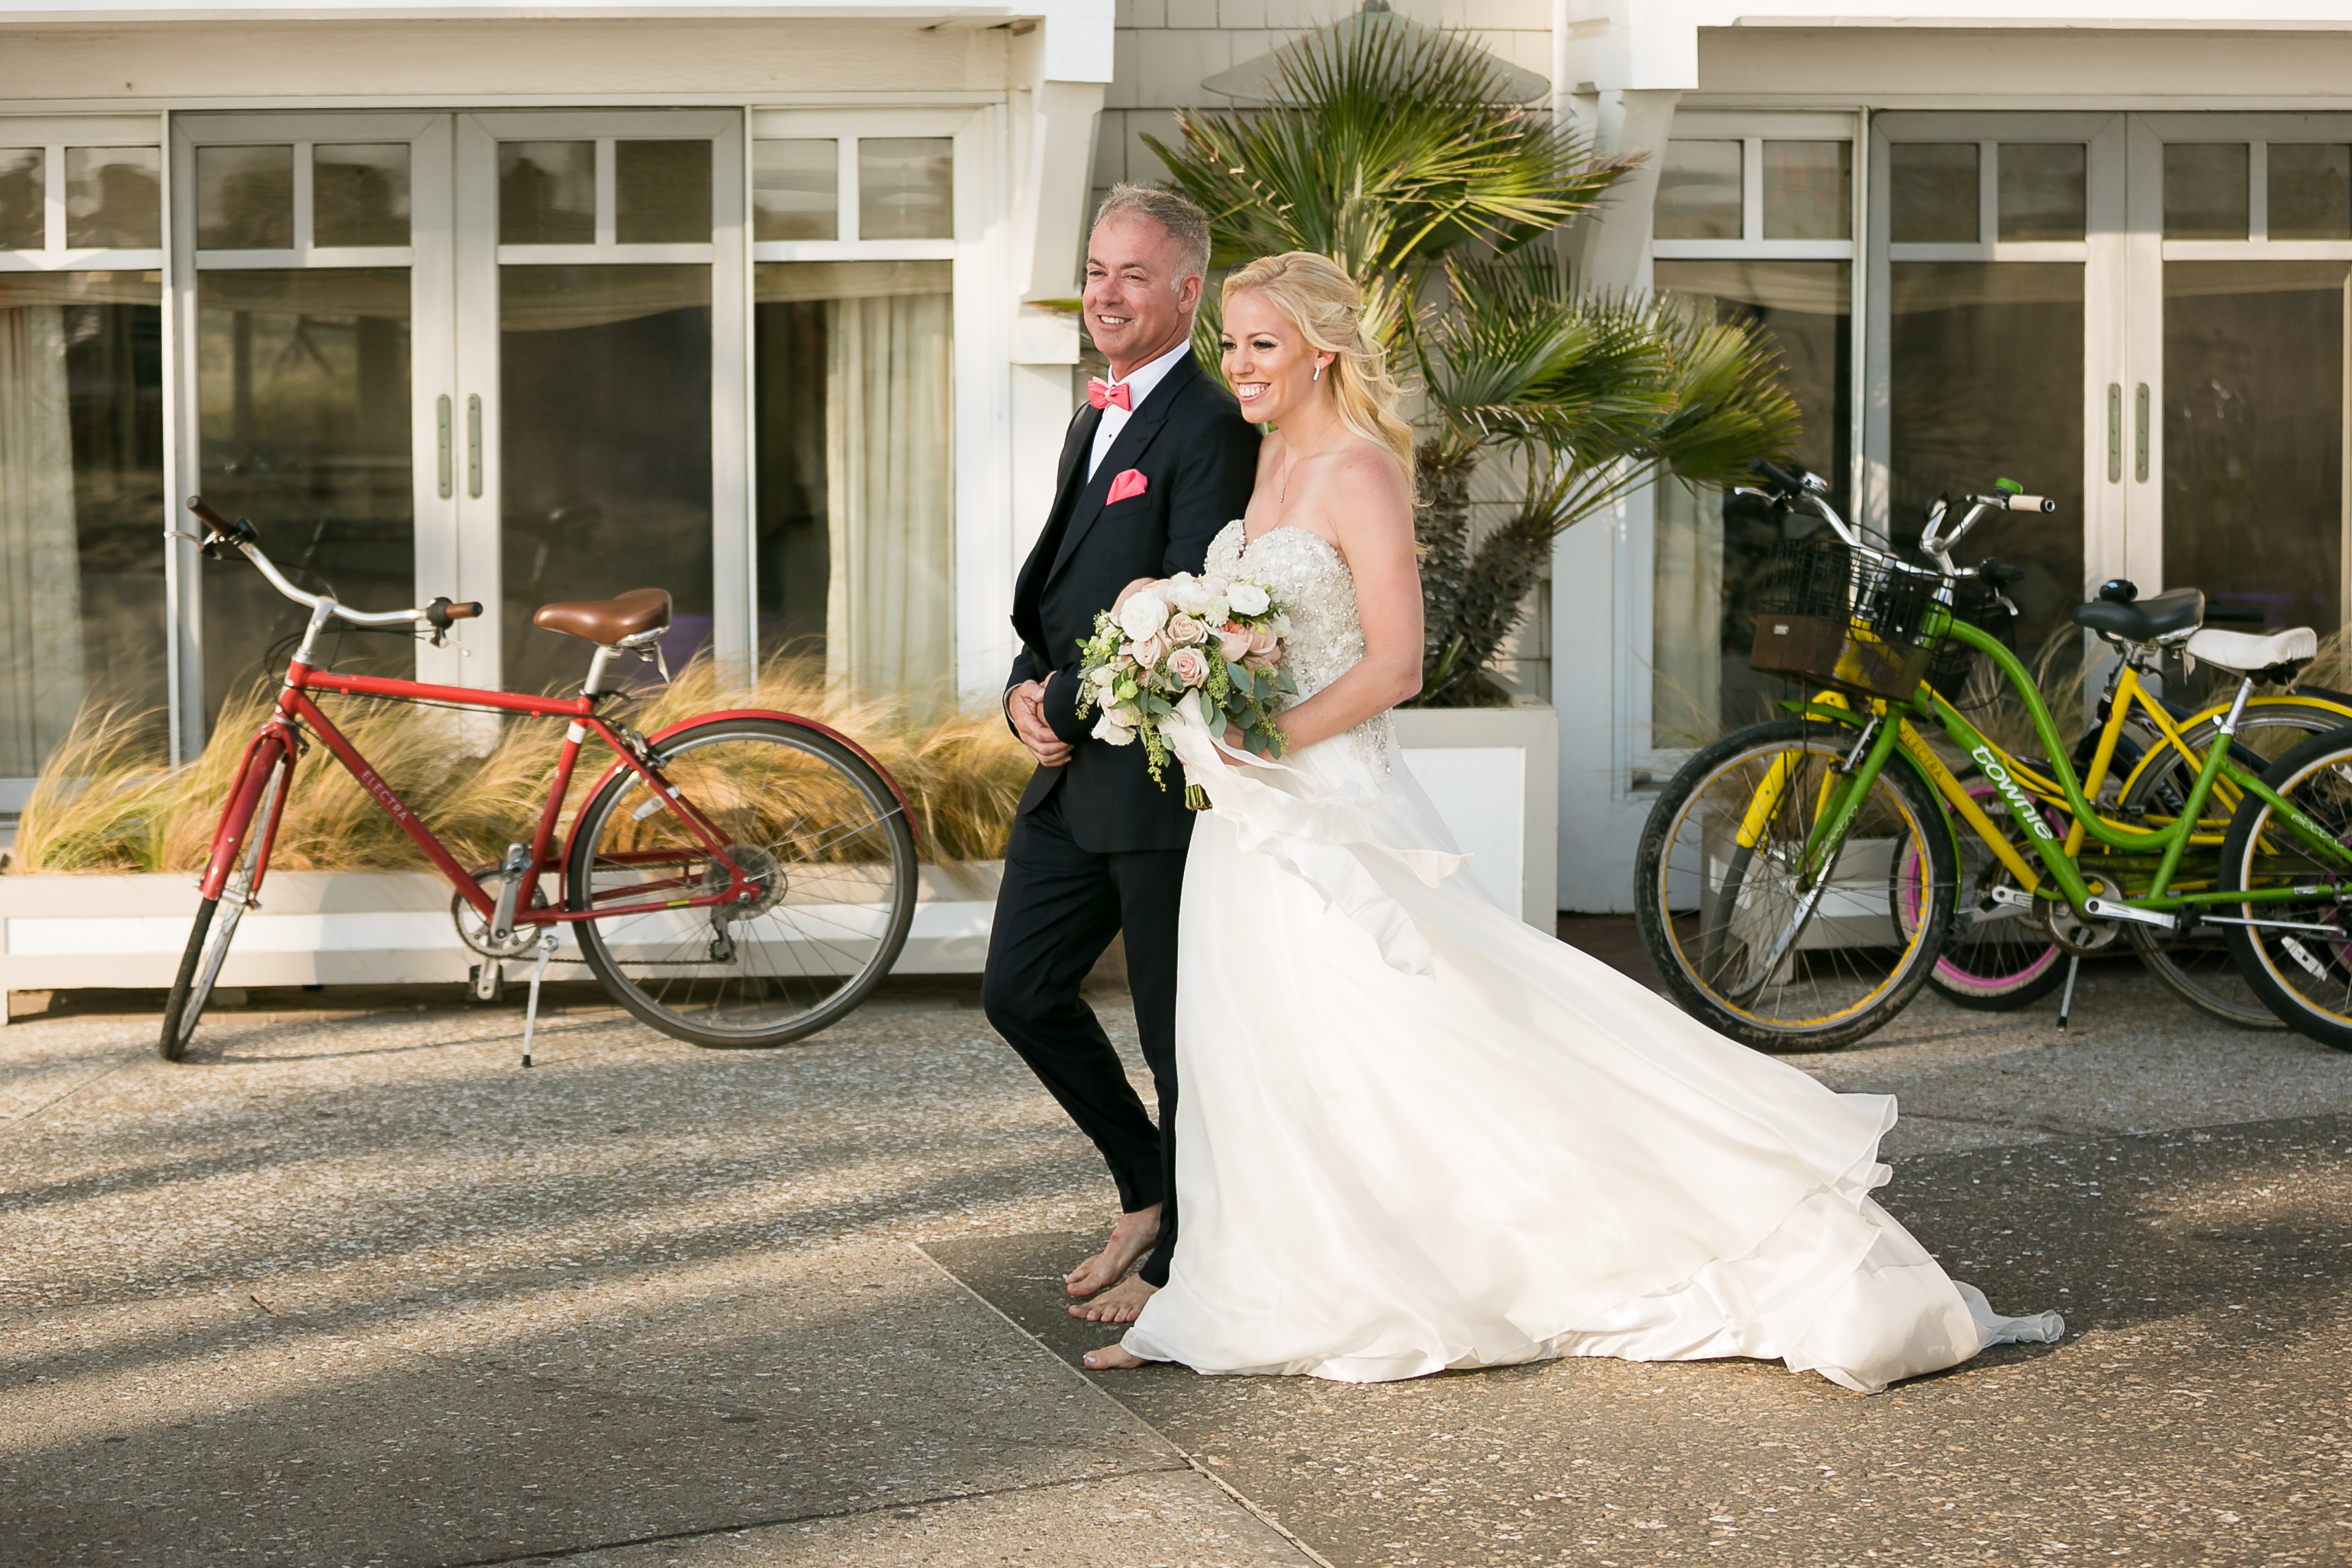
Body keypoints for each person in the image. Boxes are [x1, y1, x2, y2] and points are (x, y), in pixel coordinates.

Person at [1080, 251, 2063, 1393]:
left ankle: (1582, 1237)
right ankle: (1257, 1289)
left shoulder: (1356, 470)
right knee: (1261, 1055)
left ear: (1321, 350)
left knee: (1423, 1034)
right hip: (1249, 819)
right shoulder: (1264, 461)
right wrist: (1188, 676)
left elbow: (1394, 663)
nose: (1238, 365)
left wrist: (1271, 734)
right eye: (1231, 344)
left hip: (1335, 800)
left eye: (1262, 343)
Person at [982, 186, 1262, 1328]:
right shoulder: (1092, 409)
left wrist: (1056, 690)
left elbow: (1191, 610)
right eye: (1096, 269)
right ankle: (1146, 1181)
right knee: (1019, 991)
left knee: (1171, 1031)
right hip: (1064, 768)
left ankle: (1183, 1257)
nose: (1104, 292)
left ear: (1187, 291)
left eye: (1132, 275)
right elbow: (1060, 592)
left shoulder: (1207, 423)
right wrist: (1020, 688)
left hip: (1157, 782)